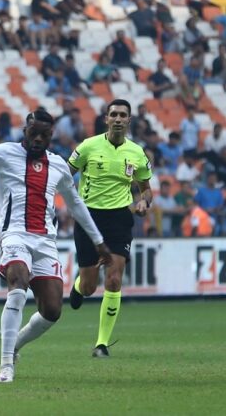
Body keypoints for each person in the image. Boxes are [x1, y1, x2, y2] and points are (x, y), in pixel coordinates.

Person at [0, 112, 112, 383]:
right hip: (14, 235)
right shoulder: (4, 153)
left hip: (46, 241)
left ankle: (14, 347)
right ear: (25, 130)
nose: (38, 139)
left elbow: (76, 205)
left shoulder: (59, 165)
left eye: (44, 135)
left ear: (51, 136)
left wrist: (98, 241)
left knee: (52, 310)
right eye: (33, 132)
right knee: (18, 286)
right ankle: (5, 366)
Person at [67, 99, 154, 358]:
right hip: (88, 218)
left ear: (129, 120)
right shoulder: (88, 147)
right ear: (106, 119)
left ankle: (101, 344)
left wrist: (143, 202)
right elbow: (63, 173)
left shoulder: (137, 153)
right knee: (90, 287)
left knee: (114, 279)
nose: (117, 118)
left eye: (122, 115)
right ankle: (80, 284)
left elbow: (146, 189)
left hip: (119, 219)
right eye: (113, 114)